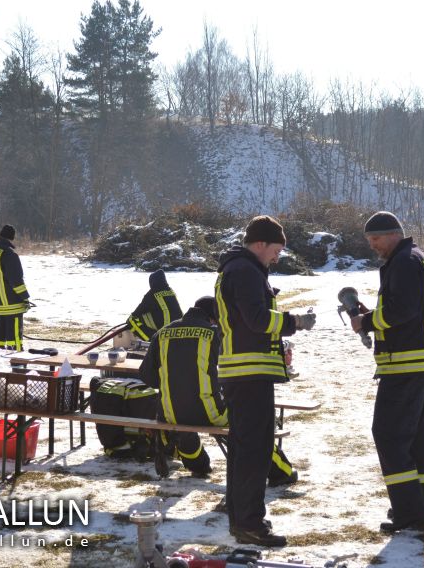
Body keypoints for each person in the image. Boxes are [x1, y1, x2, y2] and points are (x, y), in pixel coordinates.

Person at [215, 215, 316, 547]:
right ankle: (250, 524)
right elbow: (257, 320)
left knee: (246, 450)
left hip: (245, 373)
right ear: (259, 244)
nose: (277, 257)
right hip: (249, 374)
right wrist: (294, 321)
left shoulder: (239, 269)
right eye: (276, 250)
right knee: (255, 453)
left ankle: (241, 518)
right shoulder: (244, 271)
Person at [139, 296, 297, 485]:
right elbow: (236, 372)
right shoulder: (215, 334)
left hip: (168, 413)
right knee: (252, 424)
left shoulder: (162, 333)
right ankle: (283, 473)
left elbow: (147, 376)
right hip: (210, 413)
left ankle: (198, 465)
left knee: (184, 418)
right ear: (214, 318)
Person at [350, 211, 424, 533]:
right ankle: (414, 510)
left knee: (388, 436)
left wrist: (368, 321)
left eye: (375, 239)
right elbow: (406, 309)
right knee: (414, 441)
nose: (372, 245)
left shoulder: (403, 261)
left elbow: (404, 310)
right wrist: (374, 316)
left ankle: (409, 514)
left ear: (393, 234)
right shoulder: (412, 259)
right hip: (417, 363)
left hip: (407, 364)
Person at [0, 225, 30, 350]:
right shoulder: (10, 254)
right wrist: (25, 297)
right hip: (12, 305)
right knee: (14, 338)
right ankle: (16, 363)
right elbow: (16, 280)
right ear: (11, 238)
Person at [127, 269, 182, 342]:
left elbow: (137, 312)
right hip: (178, 329)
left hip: (164, 333)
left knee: (131, 320)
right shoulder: (171, 292)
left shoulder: (152, 294)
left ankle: (152, 340)